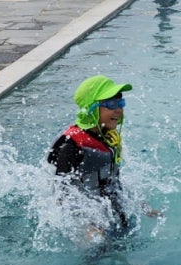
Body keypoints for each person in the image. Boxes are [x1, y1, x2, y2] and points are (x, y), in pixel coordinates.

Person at [47, 75, 133, 230]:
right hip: (87, 221)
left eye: (120, 102)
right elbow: (61, 193)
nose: (119, 109)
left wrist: (139, 206)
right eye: (111, 103)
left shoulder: (108, 136)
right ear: (91, 108)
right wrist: (86, 225)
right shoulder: (71, 145)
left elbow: (113, 182)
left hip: (111, 209)